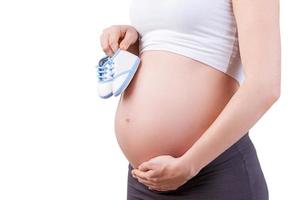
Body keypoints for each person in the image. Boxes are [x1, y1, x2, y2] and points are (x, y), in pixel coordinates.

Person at [100, 0, 281, 199]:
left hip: (213, 175)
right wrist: (133, 43)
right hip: (144, 181)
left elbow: (264, 86)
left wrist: (189, 165)